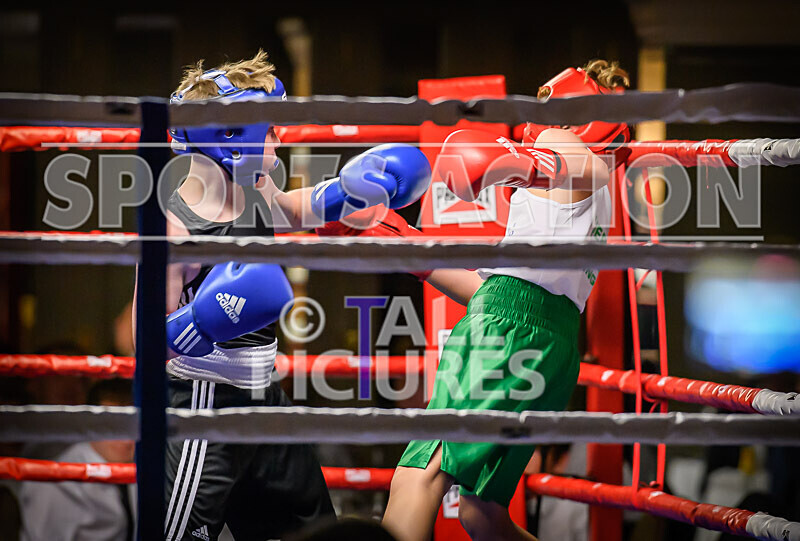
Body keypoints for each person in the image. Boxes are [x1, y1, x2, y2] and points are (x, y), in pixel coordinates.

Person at [137, 50, 431, 541]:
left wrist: (346, 191)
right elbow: (143, 341)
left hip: (264, 399)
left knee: (314, 530)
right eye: (270, 129)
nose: (281, 136)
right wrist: (201, 322)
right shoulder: (174, 229)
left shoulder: (256, 184)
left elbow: (289, 212)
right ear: (229, 138)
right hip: (203, 405)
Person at [381, 60, 630, 541]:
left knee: (420, 473)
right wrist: (410, 250)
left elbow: (586, 168)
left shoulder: (562, 146)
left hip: (505, 329)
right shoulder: (598, 205)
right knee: (483, 515)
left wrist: (527, 162)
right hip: (552, 344)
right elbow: (509, 289)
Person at [19, 379, 136, 541]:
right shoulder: (56, 482)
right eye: (113, 426)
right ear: (90, 425)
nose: (126, 439)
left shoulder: (143, 470)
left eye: (132, 426)